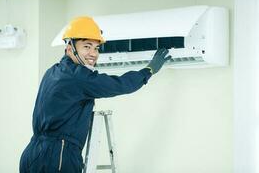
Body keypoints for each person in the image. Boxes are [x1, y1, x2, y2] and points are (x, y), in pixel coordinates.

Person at [19, 16, 171, 172]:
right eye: (87, 46)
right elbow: (120, 85)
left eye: (96, 48)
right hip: (59, 155)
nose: (93, 53)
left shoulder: (53, 71)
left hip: (33, 154)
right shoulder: (78, 77)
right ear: (70, 49)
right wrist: (149, 70)